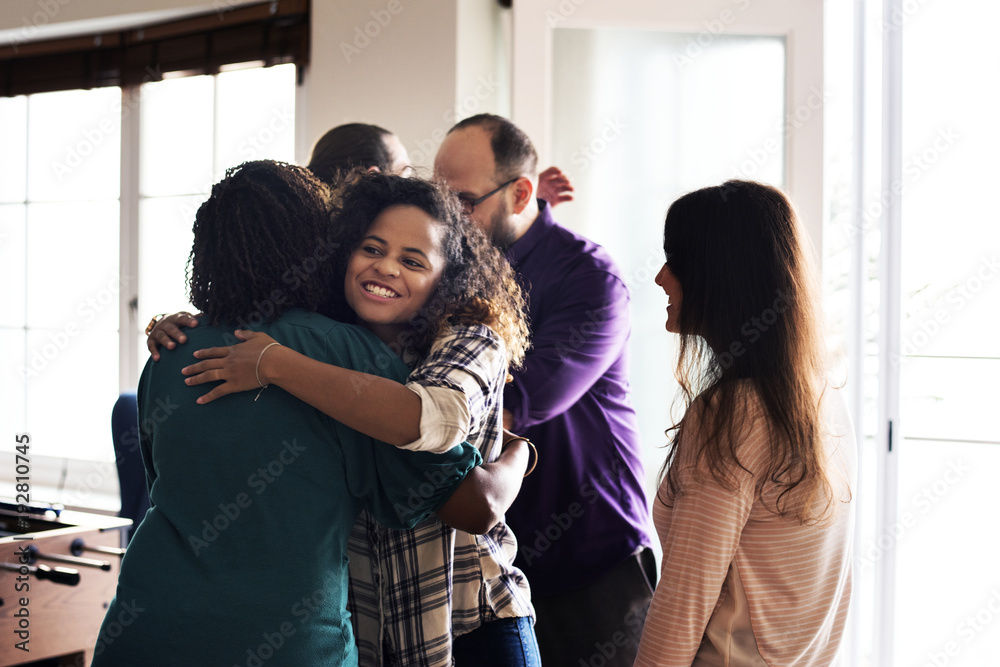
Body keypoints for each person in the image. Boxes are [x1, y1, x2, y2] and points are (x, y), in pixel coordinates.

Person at [92, 161, 483, 666]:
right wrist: (518, 450)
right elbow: (446, 492)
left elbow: (160, 481)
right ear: (321, 246)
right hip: (289, 644)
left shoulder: (169, 349)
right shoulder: (345, 350)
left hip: (143, 631)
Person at [433, 114, 656, 667]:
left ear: (521, 193)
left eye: (462, 202)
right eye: (438, 201)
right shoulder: (446, 270)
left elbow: (515, 405)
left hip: (592, 558)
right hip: (493, 563)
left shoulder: (590, 277)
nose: (447, 221)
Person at [635, 180, 857, 666]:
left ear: (721, 276)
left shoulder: (732, 413)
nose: (660, 278)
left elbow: (683, 603)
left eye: (676, 261)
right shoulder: (822, 395)